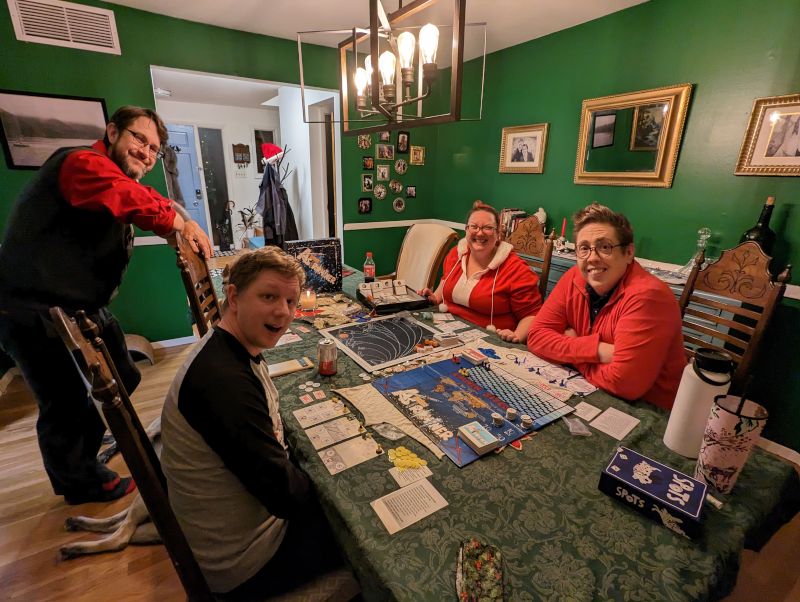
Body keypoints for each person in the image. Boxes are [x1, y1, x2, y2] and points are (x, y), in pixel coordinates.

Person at [0, 105, 212, 505]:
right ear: (112, 132)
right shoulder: (82, 163)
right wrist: (178, 224)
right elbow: (131, 198)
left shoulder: (113, 172)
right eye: (139, 139)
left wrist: (184, 219)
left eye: (153, 149)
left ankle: (96, 439)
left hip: (77, 304)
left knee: (124, 375)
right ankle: (81, 483)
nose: (146, 153)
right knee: (63, 402)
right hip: (28, 305)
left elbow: (146, 195)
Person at [160, 247, 345, 597]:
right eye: (268, 296)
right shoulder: (224, 383)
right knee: (358, 527)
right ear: (233, 296)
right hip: (246, 563)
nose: (283, 312)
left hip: (228, 534)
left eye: (291, 301)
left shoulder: (225, 349)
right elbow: (286, 497)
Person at [527, 202, 685, 409]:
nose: (592, 258)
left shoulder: (649, 296)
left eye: (604, 247)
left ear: (629, 252)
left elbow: (625, 383)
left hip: (649, 412)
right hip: (593, 390)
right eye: (584, 248)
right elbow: (536, 337)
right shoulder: (573, 276)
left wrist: (573, 352)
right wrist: (599, 351)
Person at [419, 201, 542, 343]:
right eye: (474, 227)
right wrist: (435, 297)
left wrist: (517, 335)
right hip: (448, 329)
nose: (479, 232)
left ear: (498, 233)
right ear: (466, 230)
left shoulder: (517, 270)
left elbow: (532, 315)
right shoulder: (456, 254)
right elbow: (446, 280)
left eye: (488, 228)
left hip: (491, 340)